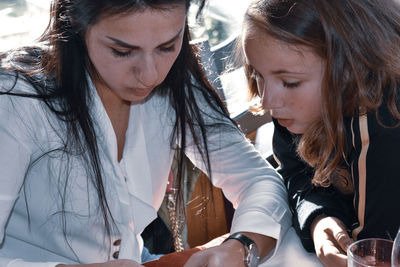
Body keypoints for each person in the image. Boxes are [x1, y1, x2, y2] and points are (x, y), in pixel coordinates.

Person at [0, 0, 293, 266]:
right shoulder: (15, 99)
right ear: (76, 24)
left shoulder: (177, 82)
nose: (151, 75)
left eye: (168, 46)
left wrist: (241, 246)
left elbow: (258, 179)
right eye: (122, 51)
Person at [241, 0, 400, 266]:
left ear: (350, 69)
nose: (268, 101)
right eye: (257, 74)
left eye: (290, 82)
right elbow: (296, 173)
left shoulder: (386, 124)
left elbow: (375, 248)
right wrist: (319, 217)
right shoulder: (296, 107)